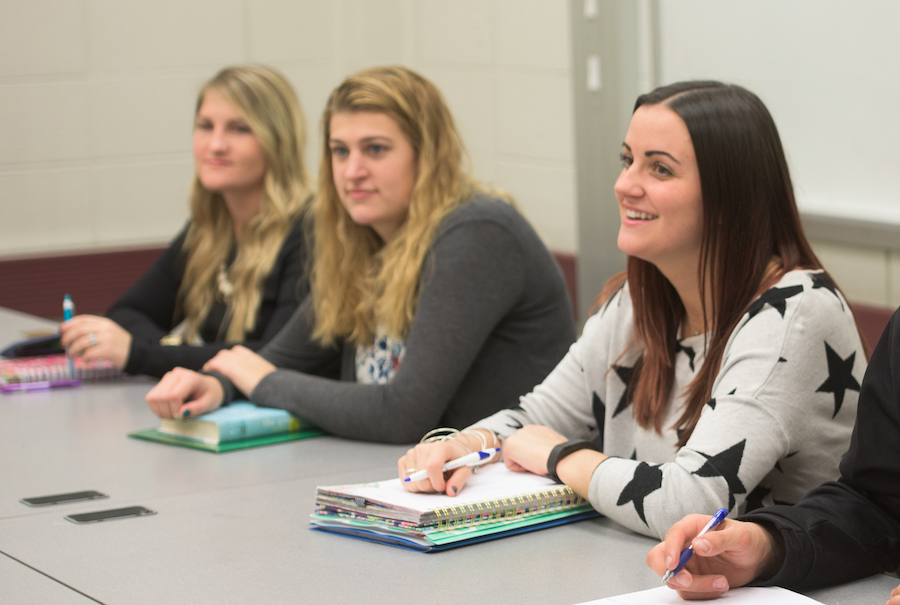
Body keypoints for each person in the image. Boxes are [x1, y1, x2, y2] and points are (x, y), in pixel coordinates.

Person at [399, 80, 866, 540]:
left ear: (730, 197)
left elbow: (691, 505)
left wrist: (564, 457)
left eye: (659, 170)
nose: (625, 185)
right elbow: (534, 420)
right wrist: (464, 446)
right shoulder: (634, 301)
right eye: (627, 160)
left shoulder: (796, 314)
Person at [143, 66, 576, 444]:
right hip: (399, 483)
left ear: (425, 156)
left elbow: (402, 415)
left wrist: (264, 383)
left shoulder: (477, 233)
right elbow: (280, 358)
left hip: (504, 498)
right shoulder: (362, 239)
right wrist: (216, 385)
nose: (352, 172)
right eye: (340, 151)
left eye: (376, 149)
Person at [59, 65, 312, 378]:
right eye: (205, 126)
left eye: (239, 129)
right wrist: (170, 349)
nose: (216, 145)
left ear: (278, 142)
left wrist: (146, 354)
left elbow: (273, 358)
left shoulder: (310, 230)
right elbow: (128, 313)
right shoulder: (208, 229)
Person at [646, 306, 900, 602]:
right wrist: (770, 545)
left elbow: (686, 494)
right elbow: (879, 503)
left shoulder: (794, 314)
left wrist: (577, 460)